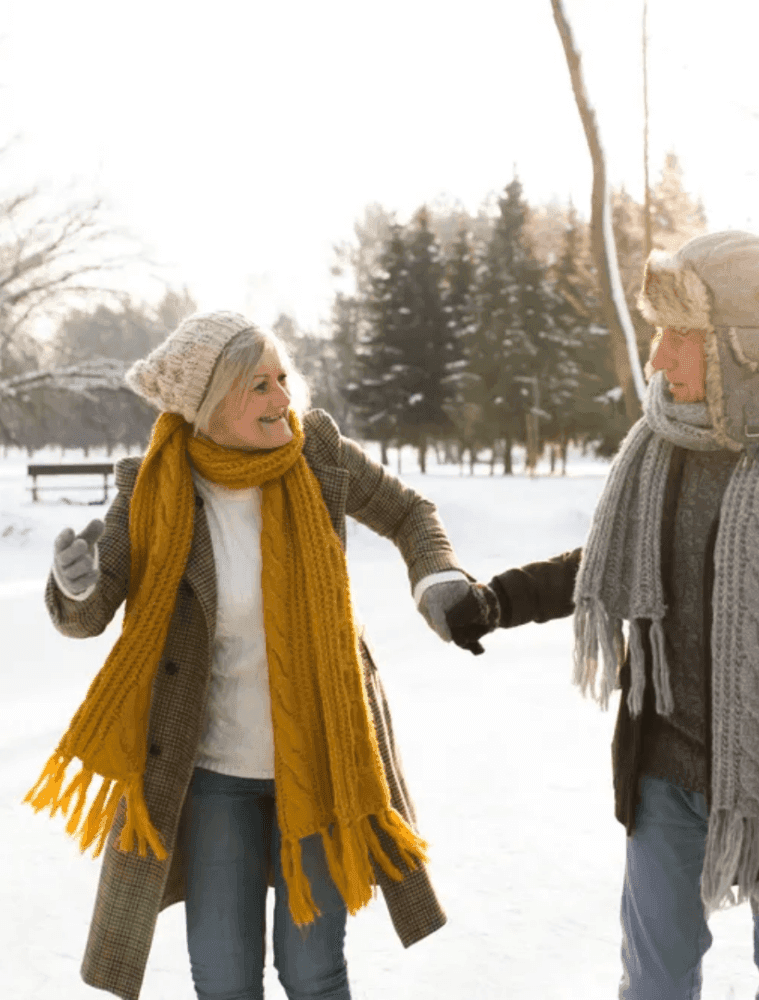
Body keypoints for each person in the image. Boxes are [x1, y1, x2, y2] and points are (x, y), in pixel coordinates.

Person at [447, 232, 759, 999]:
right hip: (666, 770)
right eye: (659, 331)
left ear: (746, 346)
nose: (658, 358)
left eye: (682, 335)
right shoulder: (663, 443)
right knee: (653, 984)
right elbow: (618, 562)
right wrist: (499, 600)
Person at [25, 311, 481, 1000]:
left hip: (326, 757)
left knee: (314, 973)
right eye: (258, 386)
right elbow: (91, 614)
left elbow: (411, 513)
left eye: (282, 379)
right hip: (212, 774)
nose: (281, 399)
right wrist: (74, 583)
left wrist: (438, 577)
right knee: (224, 976)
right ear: (209, 405)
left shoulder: (318, 455)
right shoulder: (152, 490)